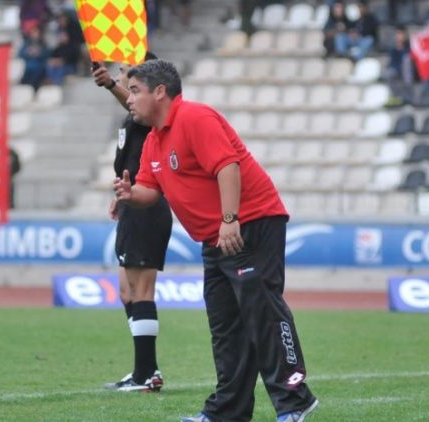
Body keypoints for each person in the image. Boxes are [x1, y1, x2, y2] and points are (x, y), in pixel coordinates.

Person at [112, 59, 318, 421]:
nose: (129, 99)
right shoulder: (154, 141)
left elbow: (227, 166)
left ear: (160, 92)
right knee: (226, 327)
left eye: (135, 90)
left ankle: (295, 400)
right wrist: (131, 193)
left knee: (262, 312)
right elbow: (150, 189)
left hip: (250, 224)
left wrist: (229, 220)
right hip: (216, 237)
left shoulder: (195, 117)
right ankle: (228, 412)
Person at [93, 54, 173, 393]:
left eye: (127, 74)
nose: (122, 77)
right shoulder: (134, 116)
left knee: (141, 290)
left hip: (146, 207)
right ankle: (146, 369)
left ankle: (145, 376)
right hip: (133, 203)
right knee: (126, 290)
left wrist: (110, 84)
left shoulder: (147, 111)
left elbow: (129, 99)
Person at [383, 26, 415, 106]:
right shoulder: (394, 48)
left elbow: (412, 58)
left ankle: (408, 95)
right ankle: (395, 97)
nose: (398, 36)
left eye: (400, 34)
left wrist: (402, 49)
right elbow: (392, 61)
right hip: (397, 69)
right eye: (397, 34)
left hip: (409, 69)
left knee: (406, 61)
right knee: (388, 73)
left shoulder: (410, 45)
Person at [18, 24, 49, 91]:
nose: (34, 34)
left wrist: (39, 53)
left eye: (36, 32)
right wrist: (27, 52)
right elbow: (20, 54)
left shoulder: (43, 44)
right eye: (33, 32)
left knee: (37, 73)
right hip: (27, 67)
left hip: (39, 67)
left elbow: (47, 55)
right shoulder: (27, 43)